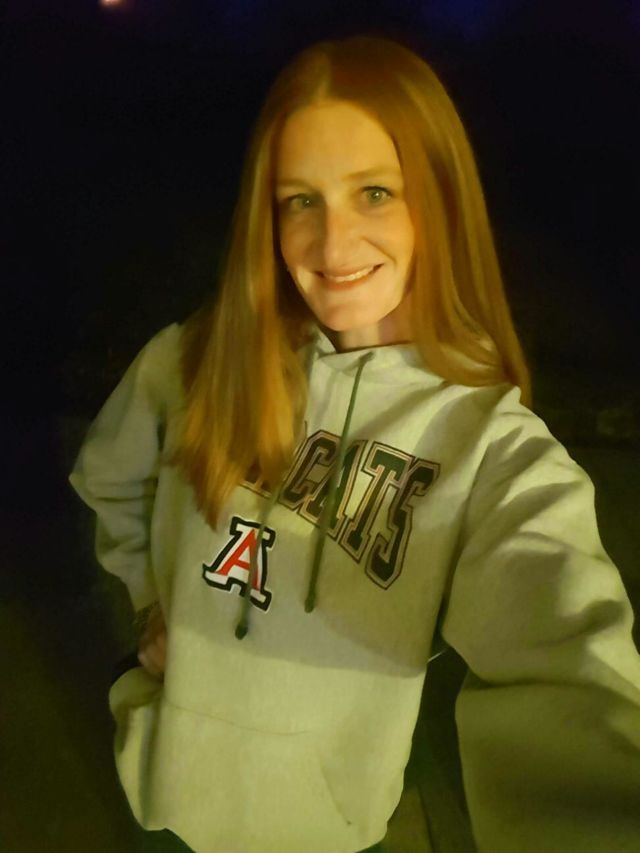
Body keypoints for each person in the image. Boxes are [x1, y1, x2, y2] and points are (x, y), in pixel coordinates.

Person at [68, 32, 640, 853]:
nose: (333, 246)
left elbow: (567, 660)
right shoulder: (199, 358)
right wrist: (150, 600)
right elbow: (112, 478)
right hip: (162, 794)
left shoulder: (489, 447)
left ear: (439, 201)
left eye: (374, 192)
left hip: (329, 830)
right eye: (300, 200)